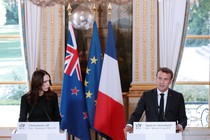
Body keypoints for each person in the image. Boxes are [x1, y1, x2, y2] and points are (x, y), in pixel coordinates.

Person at [123, 67, 187, 138]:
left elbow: (183, 118)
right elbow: (136, 114)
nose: (161, 82)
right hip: (150, 135)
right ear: (156, 79)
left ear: (170, 81)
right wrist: (129, 125)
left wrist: (180, 125)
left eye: (165, 79)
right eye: (159, 78)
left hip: (170, 135)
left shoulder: (178, 97)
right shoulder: (147, 95)